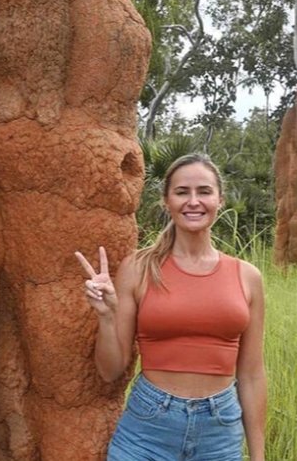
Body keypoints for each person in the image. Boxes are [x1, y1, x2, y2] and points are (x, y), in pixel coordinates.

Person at [75, 153, 266, 461]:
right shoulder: (138, 268)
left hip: (220, 434)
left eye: (204, 191)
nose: (193, 201)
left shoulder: (247, 276)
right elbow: (110, 371)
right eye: (182, 192)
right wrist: (107, 317)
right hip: (148, 431)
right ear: (167, 201)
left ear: (220, 199)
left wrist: (258, 456)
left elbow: (252, 375)